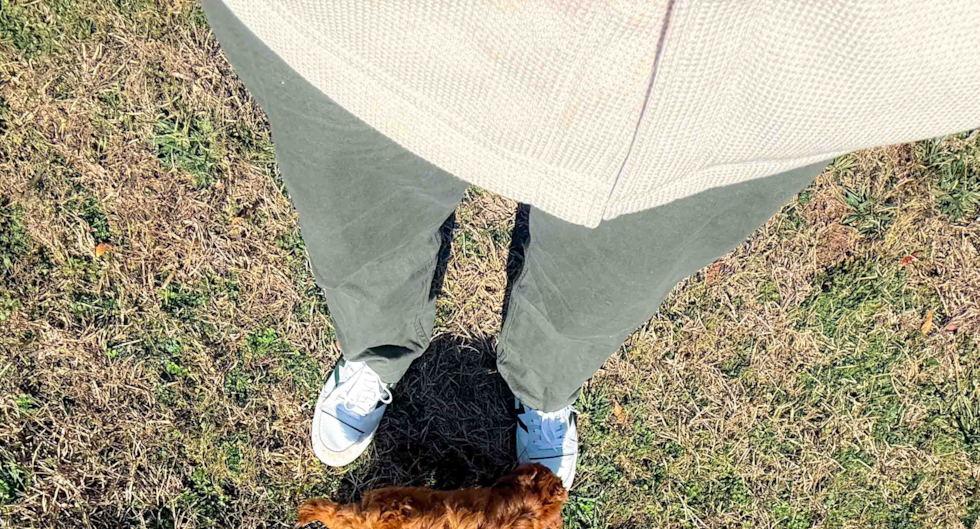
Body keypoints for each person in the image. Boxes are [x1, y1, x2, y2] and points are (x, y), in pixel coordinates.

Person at [201, 0, 980, 488]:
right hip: (357, 22)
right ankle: (375, 351)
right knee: (356, 212)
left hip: (758, 62)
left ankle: (543, 384)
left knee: (617, 270)